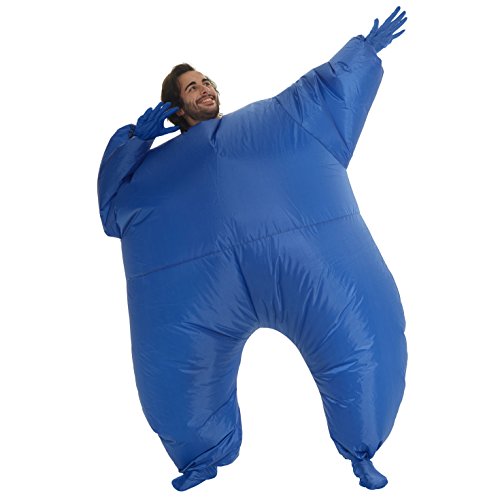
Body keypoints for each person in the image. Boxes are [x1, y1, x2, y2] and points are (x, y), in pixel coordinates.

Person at [97, 7, 408, 492]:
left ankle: (362, 447)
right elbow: (113, 206)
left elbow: (324, 94)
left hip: (303, 266)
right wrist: (135, 140)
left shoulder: (275, 125)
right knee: (177, 382)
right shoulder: (154, 175)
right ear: (175, 107)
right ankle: (201, 456)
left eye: (206, 81)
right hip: (200, 293)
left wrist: (364, 53)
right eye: (191, 87)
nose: (204, 88)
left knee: (363, 338)